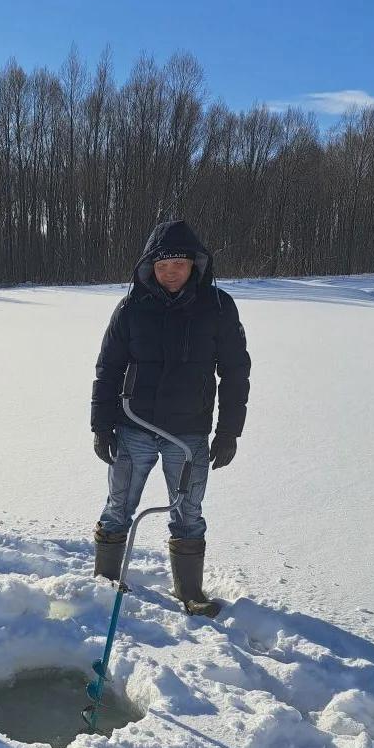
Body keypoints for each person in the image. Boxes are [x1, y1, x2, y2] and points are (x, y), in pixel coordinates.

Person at [90, 218, 251, 616]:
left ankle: (189, 592)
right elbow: (108, 367)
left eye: (178, 264)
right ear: (150, 267)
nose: (170, 273)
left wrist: (229, 430)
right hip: (134, 427)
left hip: (190, 434)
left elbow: (235, 371)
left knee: (188, 513)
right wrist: (101, 424)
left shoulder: (217, 306)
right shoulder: (131, 306)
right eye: (161, 266)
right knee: (118, 507)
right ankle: (105, 584)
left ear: (195, 264)